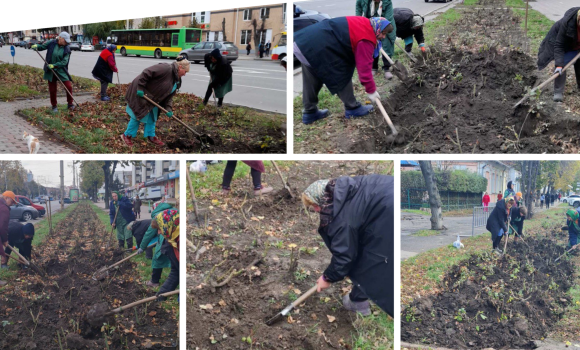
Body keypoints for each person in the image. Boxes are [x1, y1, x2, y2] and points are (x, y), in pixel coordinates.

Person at [301, 175, 394, 317]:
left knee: (374, 259)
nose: (315, 210)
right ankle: (359, 299)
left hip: (388, 216)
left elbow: (344, 255)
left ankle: (359, 303)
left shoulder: (342, 217)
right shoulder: (346, 188)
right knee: (368, 254)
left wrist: (327, 278)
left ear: (322, 198)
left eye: (314, 205)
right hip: (388, 197)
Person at [294, 17, 394, 124]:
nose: (383, 37)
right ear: (378, 28)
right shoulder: (366, 38)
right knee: (341, 71)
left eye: (385, 34)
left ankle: (309, 112)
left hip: (302, 43)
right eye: (383, 33)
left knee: (311, 78)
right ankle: (352, 108)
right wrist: (371, 90)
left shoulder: (366, 23)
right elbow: (364, 68)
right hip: (320, 45)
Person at [121, 56, 190, 147]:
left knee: (153, 115)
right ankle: (127, 135)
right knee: (138, 114)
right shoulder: (166, 68)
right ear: (180, 67)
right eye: (185, 72)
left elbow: (169, 96)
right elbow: (146, 73)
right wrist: (140, 88)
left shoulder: (177, 81)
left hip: (154, 98)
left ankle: (151, 136)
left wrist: (168, 109)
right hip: (142, 92)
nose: (185, 74)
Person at [537, 7, 580, 102]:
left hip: (578, 46)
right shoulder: (567, 23)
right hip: (566, 47)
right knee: (562, 64)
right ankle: (558, 92)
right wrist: (559, 65)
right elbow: (559, 45)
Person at [31, 32, 74, 114]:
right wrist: (37, 47)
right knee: (52, 90)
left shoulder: (67, 48)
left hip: (61, 70)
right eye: (65, 40)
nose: (66, 42)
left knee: (68, 86)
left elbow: (64, 62)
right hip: (50, 70)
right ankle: (54, 106)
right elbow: (42, 47)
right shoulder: (51, 43)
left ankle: (70, 104)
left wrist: (55, 65)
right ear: (60, 38)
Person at [137, 201, 176, 288]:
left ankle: (154, 281)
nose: (158, 232)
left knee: (157, 257)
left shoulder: (158, 216)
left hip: (166, 238)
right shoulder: (174, 210)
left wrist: (142, 247)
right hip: (175, 238)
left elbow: (149, 233)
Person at [355, 0, 397, 79]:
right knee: (372, 44)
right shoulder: (363, 1)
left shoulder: (387, 2)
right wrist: (359, 20)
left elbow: (389, 18)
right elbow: (358, 8)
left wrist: (382, 31)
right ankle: (374, 67)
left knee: (386, 44)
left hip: (385, 23)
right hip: (371, 23)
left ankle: (387, 68)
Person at [149, 209, 179, 300]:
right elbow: (176, 271)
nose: (158, 232)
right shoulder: (171, 241)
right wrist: (162, 294)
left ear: (167, 225)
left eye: (159, 228)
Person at [0, 191, 16, 281]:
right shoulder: (4, 209)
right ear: (6, 198)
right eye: (12, 201)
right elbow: (2, 227)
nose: (12, 204)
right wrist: (5, 240)